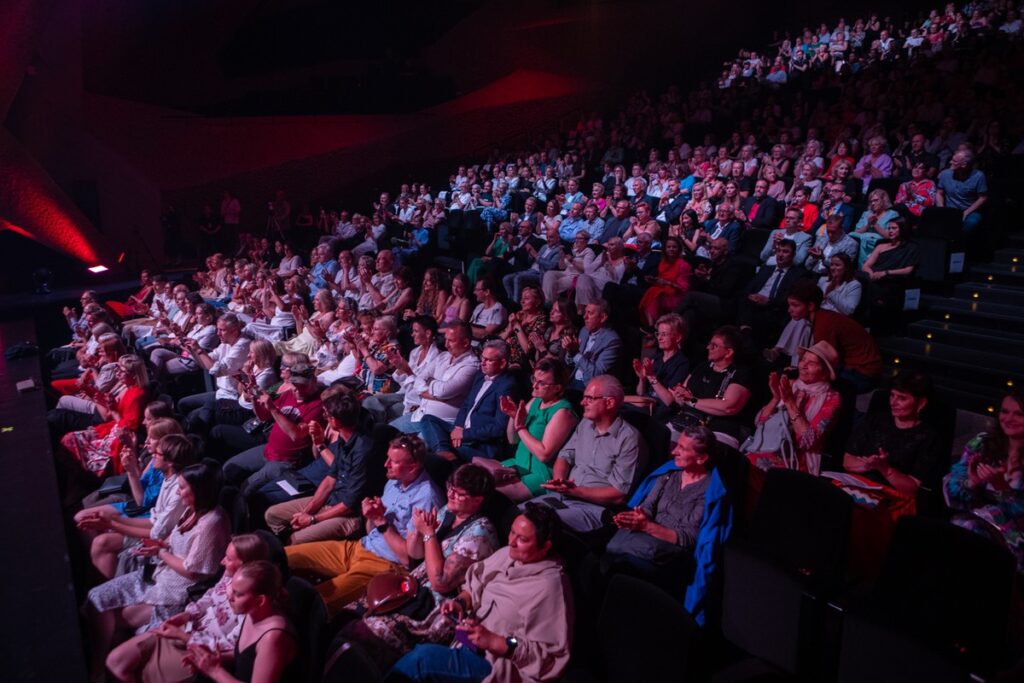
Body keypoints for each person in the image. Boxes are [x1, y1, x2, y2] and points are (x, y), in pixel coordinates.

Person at [387, 504, 572, 683]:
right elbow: (476, 584)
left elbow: (548, 654)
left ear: (545, 546)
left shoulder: (549, 588)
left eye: (522, 540)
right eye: (512, 532)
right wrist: (460, 602)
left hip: (495, 664)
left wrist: (497, 641)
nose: (511, 542)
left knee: (421, 660)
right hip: (468, 641)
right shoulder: (508, 555)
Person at [340, 464, 500, 670]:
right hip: (414, 584)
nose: (450, 494)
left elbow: (440, 582)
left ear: (478, 500)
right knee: (350, 613)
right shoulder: (448, 512)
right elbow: (415, 555)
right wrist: (417, 530)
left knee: (368, 631)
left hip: (438, 605)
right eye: (450, 487)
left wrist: (429, 534)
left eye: (458, 493)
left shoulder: (480, 533)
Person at [86, 461, 230, 676]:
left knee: (114, 623)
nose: (179, 492)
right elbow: (172, 539)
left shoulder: (212, 522)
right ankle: (97, 666)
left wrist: (161, 553)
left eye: (182, 488)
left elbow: (193, 570)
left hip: (176, 591)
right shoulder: (191, 509)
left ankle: (101, 670)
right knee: (95, 600)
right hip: (158, 574)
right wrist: (160, 547)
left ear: (199, 491)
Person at [284, 435, 444, 616]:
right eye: (387, 458)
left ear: (412, 467)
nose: (386, 465)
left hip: (384, 565)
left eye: (393, 461)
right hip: (359, 546)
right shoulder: (394, 481)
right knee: (286, 555)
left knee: (313, 601)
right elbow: (371, 530)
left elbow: (409, 559)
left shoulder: (426, 498)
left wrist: (381, 521)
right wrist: (371, 515)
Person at [104, 533, 271, 682]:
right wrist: (186, 615)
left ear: (243, 565)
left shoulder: (251, 606)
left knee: (131, 671)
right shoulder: (229, 576)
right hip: (188, 629)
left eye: (227, 559)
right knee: (115, 661)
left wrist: (183, 636)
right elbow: (209, 598)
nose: (222, 561)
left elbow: (231, 650)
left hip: (199, 651)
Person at [531, 375, 646, 533]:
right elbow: (564, 456)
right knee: (520, 514)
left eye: (589, 398)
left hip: (594, 509)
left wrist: (574, 491)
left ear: (610, 402)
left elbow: (618, 494)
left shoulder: (629, 439)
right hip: (564, 497)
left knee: (538, 525)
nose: (582, 403)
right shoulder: (585, 424)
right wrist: (559, 481)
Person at [76, 427, 194, 579]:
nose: (153, 455)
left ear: (170, 462)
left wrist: (113, 524)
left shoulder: (178, 490)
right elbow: (154, 519)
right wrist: (114, 521)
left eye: (157, 454)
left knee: (102, 542)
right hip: (152, 524)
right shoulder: (168, 477)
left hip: (161, 538)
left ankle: (105, 585)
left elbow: (157, 531)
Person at [605, 426, 717, 581]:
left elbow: (689, 538)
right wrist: (638, 517)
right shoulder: (669, 474)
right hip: (647, 534)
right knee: (611, 547)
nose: (674, 452)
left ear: (701, 458)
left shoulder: (709, 490)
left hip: (672, 549)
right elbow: (648, 505)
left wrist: (647, 526)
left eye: (682, 448)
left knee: (620, 561)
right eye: (677, 445)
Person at [263, 391, 373, 543]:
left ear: (335, 421)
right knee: (272, 515)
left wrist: (312, 519)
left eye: (326, 415)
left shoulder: (363, 450)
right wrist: (306, 512)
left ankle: (292, 553)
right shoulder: (344, 438)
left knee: (296, 538)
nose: (324, 418)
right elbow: (330, 480)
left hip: (349, 514)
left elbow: (349, 504)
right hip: (331, 500)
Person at [944, 393, 1024, 571]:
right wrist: (971, 483)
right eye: (1004, 411)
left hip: (1014, 538)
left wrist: (1002, 489)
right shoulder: (982, 444)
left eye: (1019, 414)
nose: (1009, 419)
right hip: (971, 522)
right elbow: (951, 490)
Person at [182, 561, 299, 683]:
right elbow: (245, 657)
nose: (230, 597)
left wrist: (214, 670)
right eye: (232, 590)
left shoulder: (273, 637)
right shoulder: (252, 613)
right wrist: (214, 660)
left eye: (238, 594)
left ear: (260, 601)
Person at [223, 362, 324, 497]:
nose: (297, 389)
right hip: (269, 450)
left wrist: (272, 408)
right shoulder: (289, 395)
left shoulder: (318, 405)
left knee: (247, 488)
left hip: (286, 462)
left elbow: (296, 434)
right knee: (229, 468)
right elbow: (264, 416)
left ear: (314, 382)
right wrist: (254, 398)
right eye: (295, 384)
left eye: (303, 385)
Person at [746, 341, 842, 475]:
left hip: (795, 459)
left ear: (825, 372)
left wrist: (790, 403)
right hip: (766, 448)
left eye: (812, 363)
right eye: (803, 360)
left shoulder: (832, 398)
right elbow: (759, 423)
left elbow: (807, 442)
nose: (803, 366)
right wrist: (775, 398)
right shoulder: (790, 385)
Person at [489, 359, 577, 502]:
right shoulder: (536, 401)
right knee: (473, 482)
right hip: (518, 463)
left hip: (539, 474)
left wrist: (521, 427)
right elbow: (513, 439)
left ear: (557, 388)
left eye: (541, 383)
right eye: (534, 379)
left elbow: (544, 455)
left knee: (489, 496)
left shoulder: (563, 412)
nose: (534, 385)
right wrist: (513, 415)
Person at [844, 372, 943, 495]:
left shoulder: (929, 438)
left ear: (921, 403)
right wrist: (870, 465)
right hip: (856, 484)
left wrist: (885, 469)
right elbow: (847, 461)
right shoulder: (874, 420)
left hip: (892, 495)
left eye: (902, 398)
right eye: (892, 395)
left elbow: (912, 487)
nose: (893, 402)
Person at [420, 341, 517, 466]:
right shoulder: (481, 375)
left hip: (480, 444)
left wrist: (464, 434)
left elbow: (498, 428)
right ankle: (444, 452)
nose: (482, 363)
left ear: (502, 363)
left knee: (427, 453)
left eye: (488, 360)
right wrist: (459, 427)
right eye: (482, 358)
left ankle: (445, 456)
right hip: (462, 430)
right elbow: (466, 404)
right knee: (428, 419)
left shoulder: (507, 386)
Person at [60, 355, 148, 477]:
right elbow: (111, 413)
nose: (117, 373)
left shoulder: (138, 395)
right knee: (68, 439)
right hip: (111, 428)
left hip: (119, 437)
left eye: (121, 371)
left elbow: (127, 429)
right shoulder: (125, 386)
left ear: (133, 375)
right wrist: (99, 399)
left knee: (71, 441)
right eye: (117, 369)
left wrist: (113, 411)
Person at [669, 327, 753, 450]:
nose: (708, 348)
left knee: (696, 450)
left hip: (718, 429)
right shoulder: (702, 367)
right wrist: (679, 396)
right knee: (661, 437)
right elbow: (683, 394)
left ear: (728, 352)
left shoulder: (740, 373)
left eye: (714, 346)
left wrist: (692, 401)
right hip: (687, 421)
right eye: (709, 344)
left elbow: (728, 407)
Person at [391, 322, 480, 436]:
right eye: (446, 339)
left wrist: (429, 383)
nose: (446, 345)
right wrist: (438, 393)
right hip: (419, 416)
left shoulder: (471, 366)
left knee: (415, 449)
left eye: (451, 341)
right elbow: (420, 379)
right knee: (386, 432)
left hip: (442, 424)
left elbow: (443, 391)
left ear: (466, 342)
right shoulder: (443, 356)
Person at [631, 313, 691, 420]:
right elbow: (640, 393)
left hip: (661, 415)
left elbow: (669, 401)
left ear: (677, 338)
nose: (659, 338)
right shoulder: (656, 358)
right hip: (646, 407)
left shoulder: (682, 364)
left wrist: (651, 377)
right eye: (658, 334)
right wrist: (642, 379)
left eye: (664, 334)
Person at [563, 301, 622, 391]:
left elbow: (596, 374)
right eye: (585, 312)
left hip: (591, 387)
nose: (584, 317)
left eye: (589, 313)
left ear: (602, 317)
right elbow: (570, 363)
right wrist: (569, 351)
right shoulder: (584, 330)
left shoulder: (612, 341)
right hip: (573, 381)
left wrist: (575, 353)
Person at [638, 236, 692, 327]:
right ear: (665, 249)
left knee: (655, 293)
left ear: (678, 249)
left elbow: (683, 288)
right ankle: (650, 325)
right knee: (652, 290)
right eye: (669, 247)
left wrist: (668, 283)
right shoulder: (663, 262)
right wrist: (653, 280)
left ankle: (652, 326)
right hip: (663, 291)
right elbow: (660, 282)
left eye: (674, 247)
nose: (671, 249)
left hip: (676, 296)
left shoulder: (683, 265)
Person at [936, 149, 988, 232]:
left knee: (971, 222)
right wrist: (941, 209)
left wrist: (966, 213)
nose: (950, 162)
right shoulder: (945, 174)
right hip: (950, 209)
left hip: (969, 210)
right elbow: (939, 192)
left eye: (954, 161)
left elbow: (983, 198)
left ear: (964, 164)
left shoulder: (979, 176)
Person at [852, 188, 899, 265]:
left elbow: (889, 236)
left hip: (880, 243)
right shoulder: (866, 214)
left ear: (884, 200)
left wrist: (875, 224)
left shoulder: (892, 214)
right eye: (871, 201)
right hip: (863, 241)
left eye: (876, 200)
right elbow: (856, 232)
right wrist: (868, 225)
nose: (873, 203)